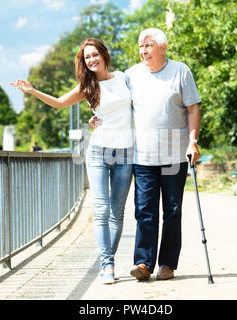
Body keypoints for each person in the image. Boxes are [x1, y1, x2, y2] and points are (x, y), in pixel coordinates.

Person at [10, 38, 133, 285]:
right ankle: (107, 265)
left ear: (104, 54)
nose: (91, 60)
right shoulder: (87, 87)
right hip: (98, 151)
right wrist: (32, 91)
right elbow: (57, 103)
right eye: (86, 57)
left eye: (94, 54)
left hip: (126, 152)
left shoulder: (124, 78)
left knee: (117, 213)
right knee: (101, 210)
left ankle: (108, 259)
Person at [94, 28, 201, 281]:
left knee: (173, 210)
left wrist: (193, 142)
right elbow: (116, 104)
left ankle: (167, 264)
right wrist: (98, 117)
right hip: (143, 156)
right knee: (144, 211)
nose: (144, 50)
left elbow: (193, 108)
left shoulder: (181, 71)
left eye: (149, 45)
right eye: (141, 46)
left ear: (163, 48)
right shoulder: (131, 75)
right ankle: (143, 263)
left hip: (175, 155)